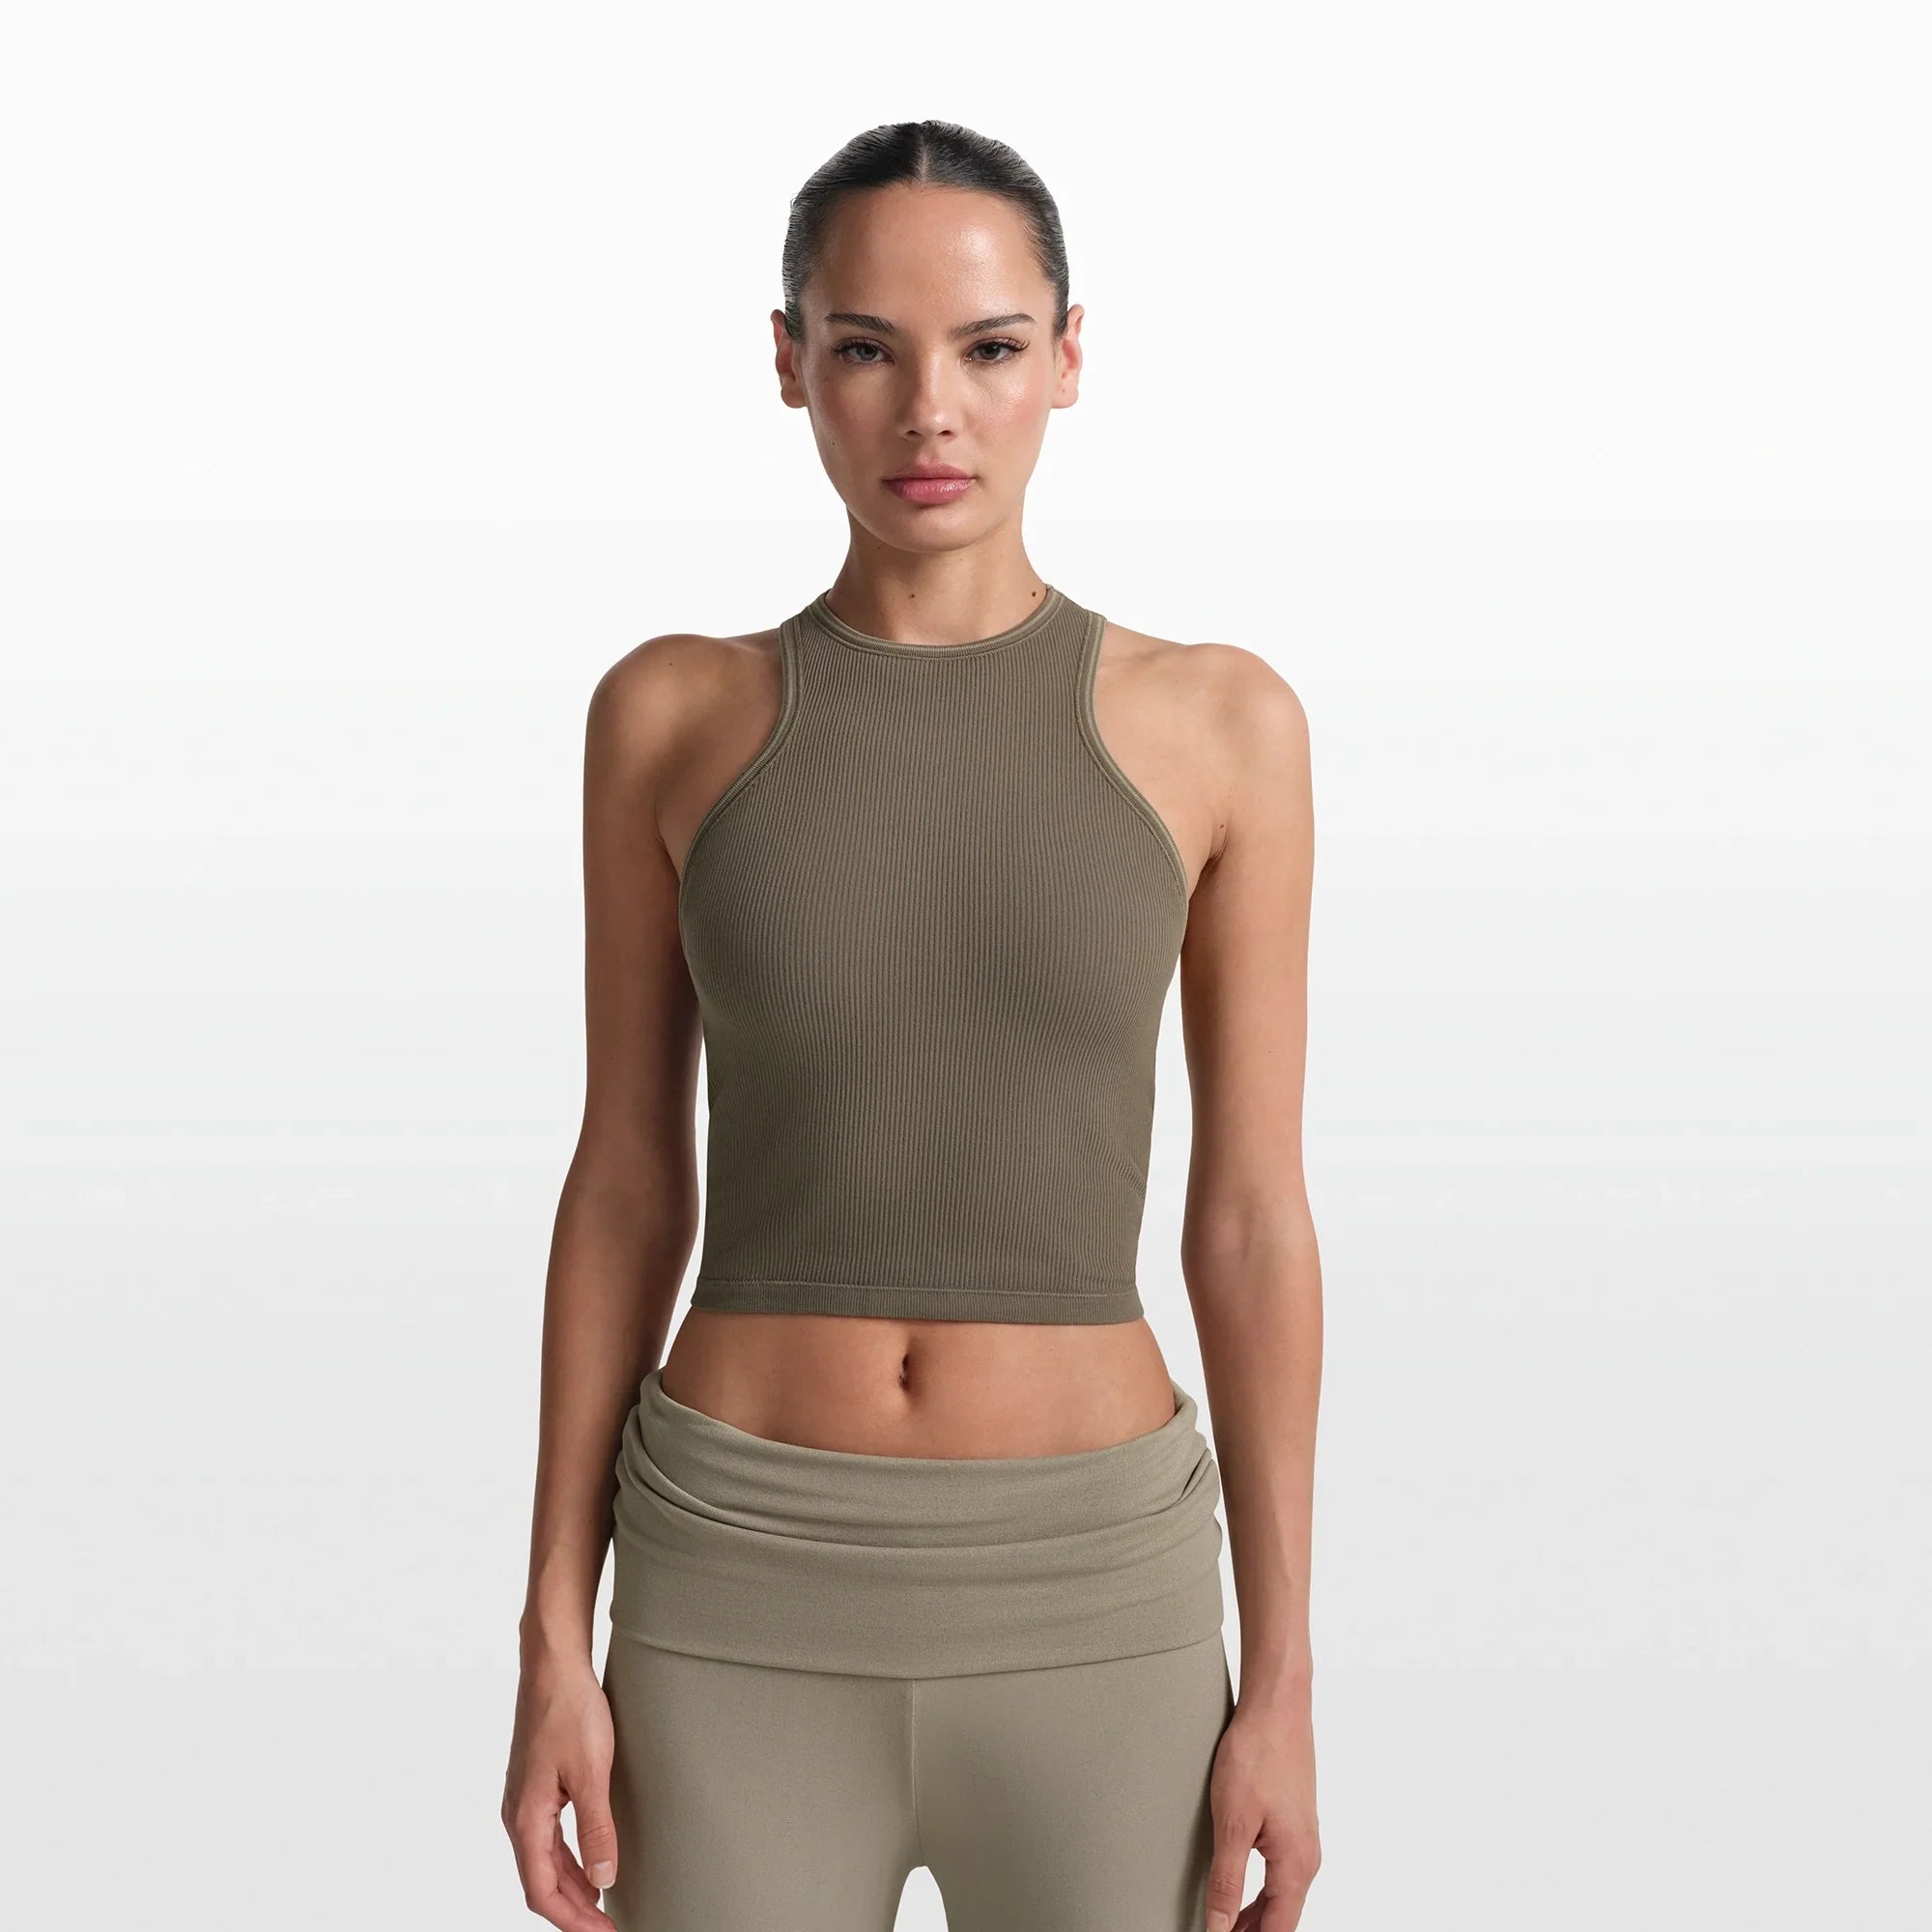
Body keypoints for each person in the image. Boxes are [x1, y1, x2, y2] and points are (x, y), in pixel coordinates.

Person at [501, 119, 1321, 1932]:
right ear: (789, 361)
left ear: (1070, 358)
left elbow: (1254, 1215)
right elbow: (626, 1179)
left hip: (1096, 1595)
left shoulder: (1220, 725)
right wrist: (555, 1628)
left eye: (990, 347)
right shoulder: (672, 713)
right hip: (735, 1582)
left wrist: (1283, 1677)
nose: (930, 412)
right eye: (867, 347)